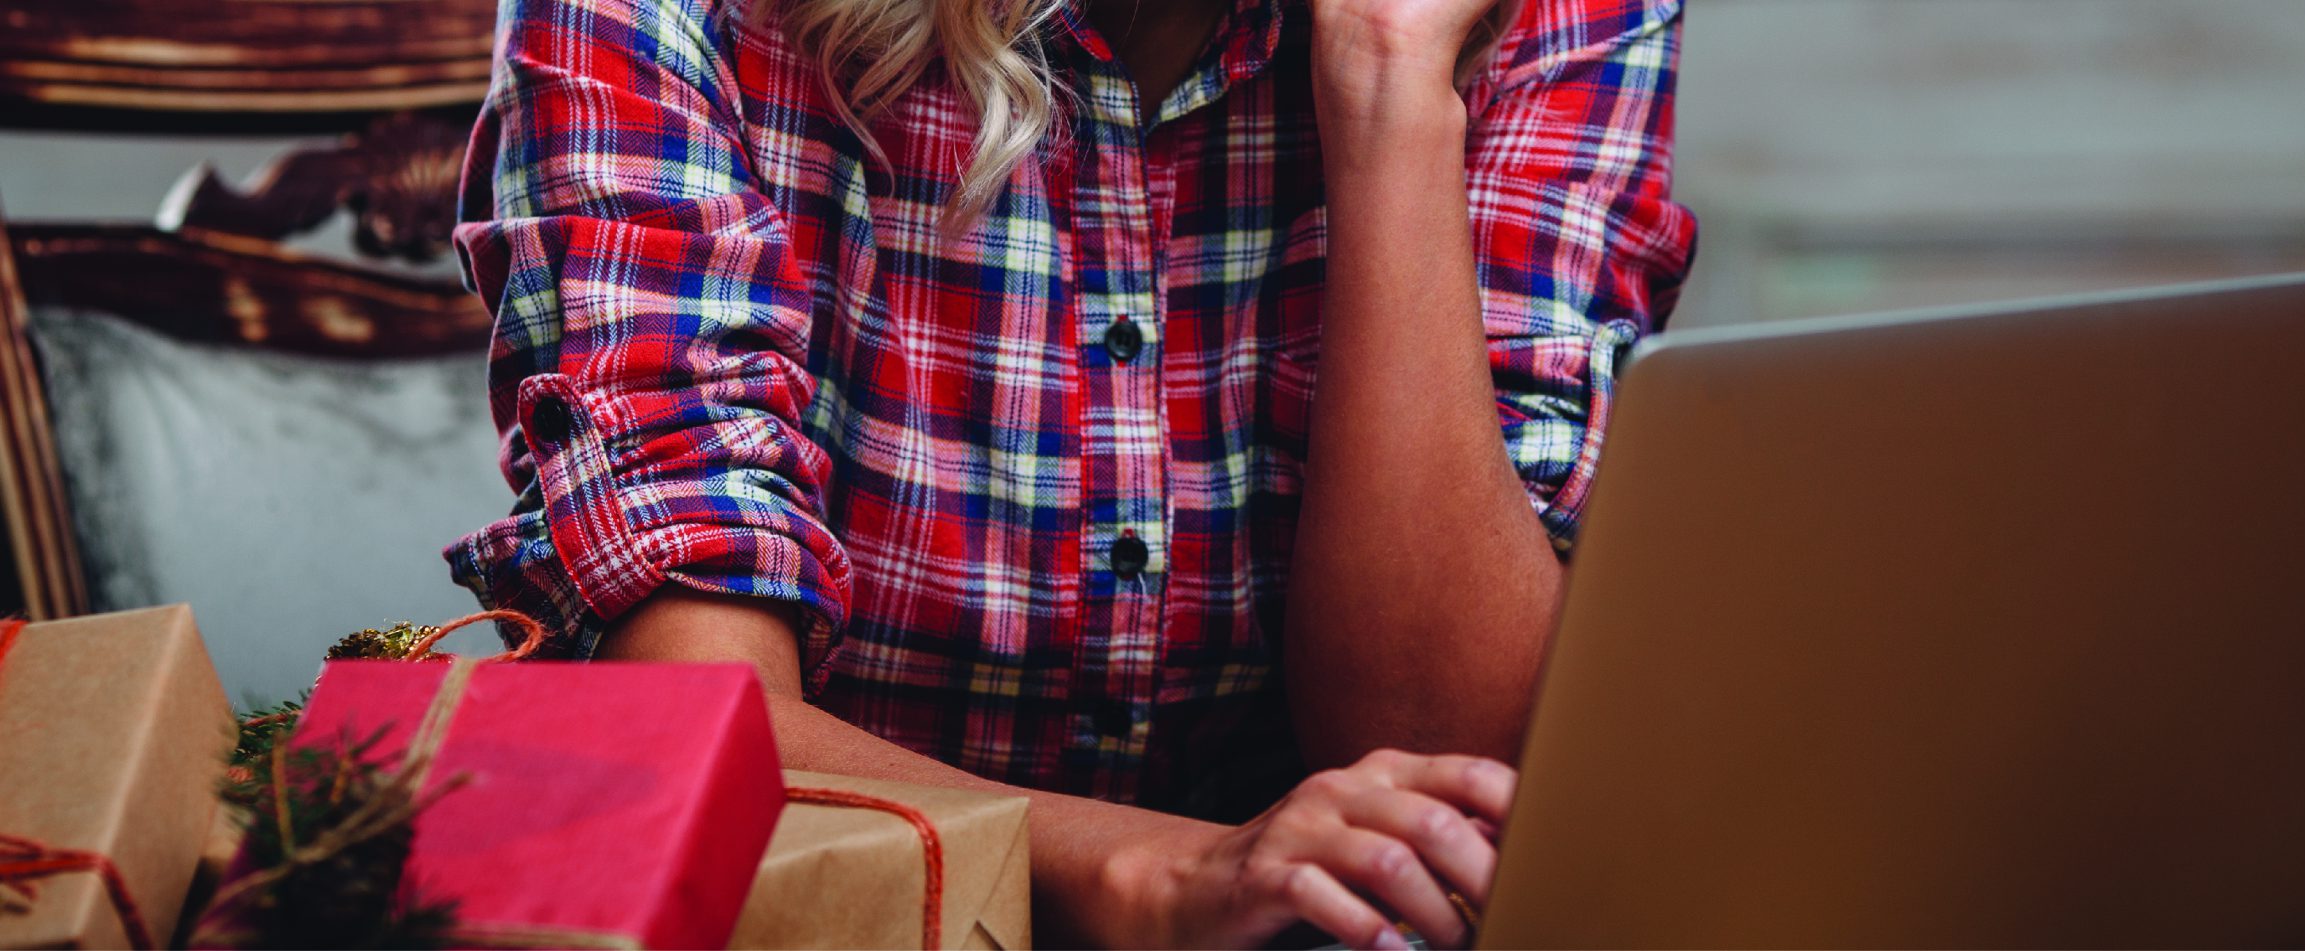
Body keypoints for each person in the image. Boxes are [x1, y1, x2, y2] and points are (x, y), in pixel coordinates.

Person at [446, 0, 1694, 941]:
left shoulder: (1544, 19)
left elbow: (1440, 772)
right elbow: (693, 718)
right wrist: (1153, 873)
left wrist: (1389, 86)